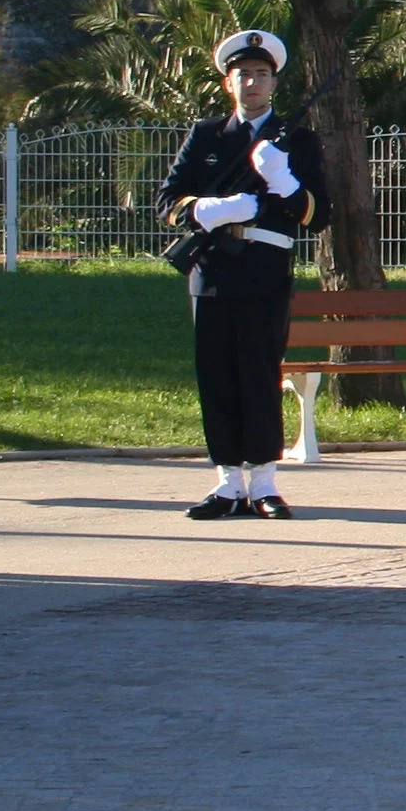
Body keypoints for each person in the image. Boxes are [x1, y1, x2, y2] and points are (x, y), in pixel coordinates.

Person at [157, 30, 327, 521]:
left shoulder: (298, 140)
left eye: (261, 74)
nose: (251, 82)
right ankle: (228, 483)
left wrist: (284, 179)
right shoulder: (207, 135)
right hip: (211, 269)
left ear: (274, 82)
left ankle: (266, 483)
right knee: (217, 374)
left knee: (258, 371)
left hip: (264, 268)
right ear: (228, 82)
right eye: (242, 74)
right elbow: (168, 202)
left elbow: (318, 214)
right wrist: (211, 209)